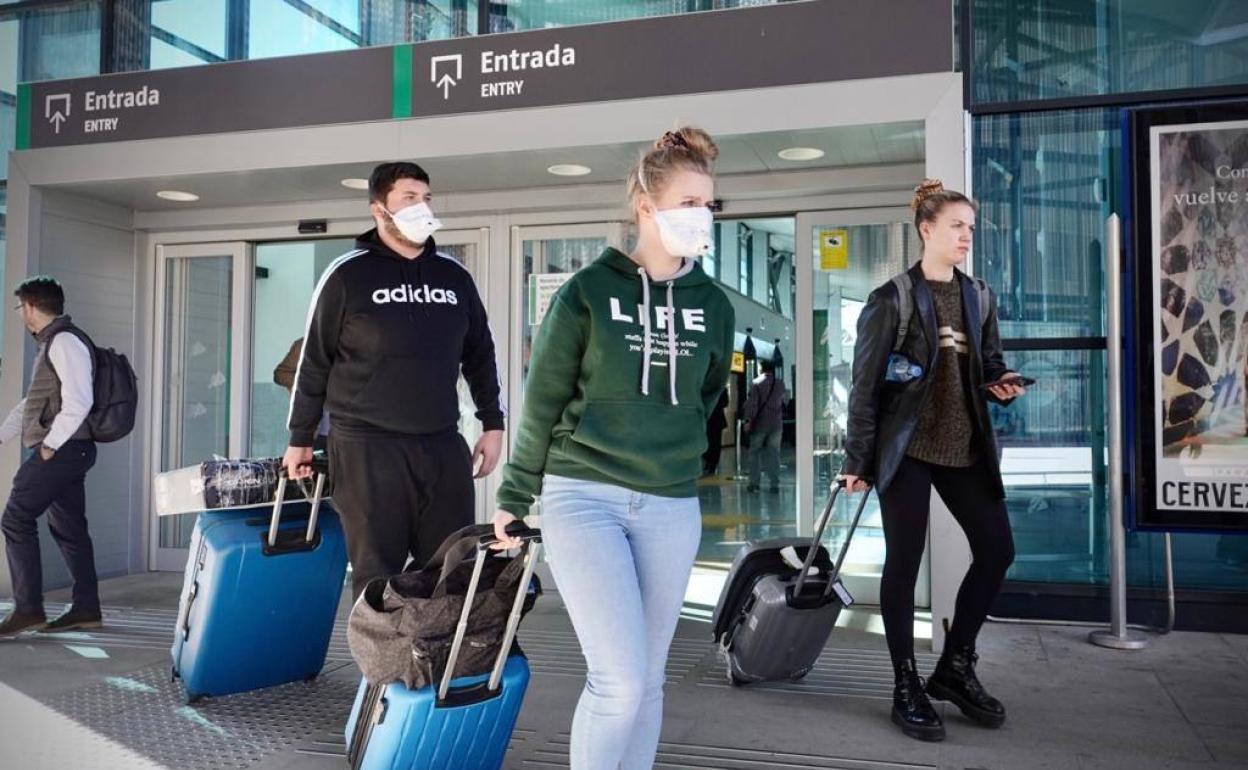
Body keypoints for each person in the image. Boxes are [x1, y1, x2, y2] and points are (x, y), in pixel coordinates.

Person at [492, 127, 734, 770]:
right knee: (619, 680)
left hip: (670, 503)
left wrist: (681, 450)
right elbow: (542, 399)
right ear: (646, 207)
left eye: (709, 204)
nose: (701, 216)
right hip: (584, 495)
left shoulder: (713, 304)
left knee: (648, 681)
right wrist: (514, 494)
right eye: (688, 202)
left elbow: (710, 397)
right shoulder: (588, 292)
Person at [842, 179, 1025, 742]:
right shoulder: (892, 298)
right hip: (910, 450)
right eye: (956, 226)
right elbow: (864, 386)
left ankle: (954, 666)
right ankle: (906, 684)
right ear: (927, 229)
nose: (966, 236)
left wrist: (1001, 382)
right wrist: (859, 458)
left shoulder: (980, 295)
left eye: (971, 227)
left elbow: (989, 362)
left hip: (964, 446)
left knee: (997, 551)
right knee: (903, 563)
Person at [282, 161, 506, 600]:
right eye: (409, 198)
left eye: (426, 197)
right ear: (379, 210)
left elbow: (480, 354)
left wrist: (492, 423)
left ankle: (438, 665)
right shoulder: (347, 275)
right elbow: (314, 361)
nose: (422, 206)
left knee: (451, 571)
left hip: (441, 443)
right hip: (367, 447)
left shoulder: (454, 276)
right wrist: (300, 437)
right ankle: (383, 669)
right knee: (377, 576)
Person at [0, 277, 103, 637]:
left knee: (15, 518)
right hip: (69, 450)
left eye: (18, 307)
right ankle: (86, 608)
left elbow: (79, 400)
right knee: (69, 528)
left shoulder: (64, 341)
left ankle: (28, 609)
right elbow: (34, 404)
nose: (18, 313)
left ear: (29, 306)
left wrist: (49, 445)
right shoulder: (52, 343)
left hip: (63, 450)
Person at [742, 358, 788, 492]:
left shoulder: (756, 383)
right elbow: (783, 401)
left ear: (761, 368)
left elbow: (753, 405)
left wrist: (747, 421)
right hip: (776, 424)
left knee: (755, 453)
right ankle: (774, 484)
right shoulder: (780, 384)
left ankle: (754, 484)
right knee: (774, 453)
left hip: (760, 424)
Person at [702, 389, 729, 476]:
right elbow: (725, 403)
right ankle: (712, 464)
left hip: (708, 419)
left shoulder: (705, 388)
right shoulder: (722, 389)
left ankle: (708, 463)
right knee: (716, 443)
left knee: (708, 441)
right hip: (718, 419)